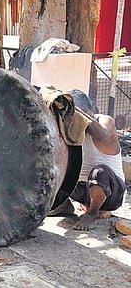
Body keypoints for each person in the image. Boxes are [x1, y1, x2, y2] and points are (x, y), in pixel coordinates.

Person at [50, 89, 125, 231]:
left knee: (99, 171)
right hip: (83, 191)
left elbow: (101, 135)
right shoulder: (72, 129)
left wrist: (79, 112)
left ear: (91, 109)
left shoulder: (105, 120)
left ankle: (92, 213)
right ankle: (64, 206)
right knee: (56, 168)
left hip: (111, 192)